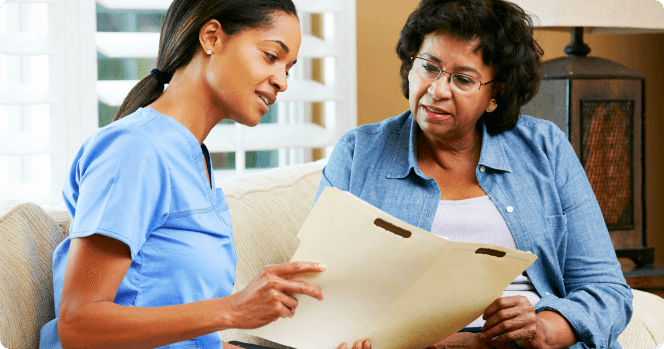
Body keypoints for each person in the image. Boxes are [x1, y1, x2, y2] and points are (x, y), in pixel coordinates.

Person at [38, 1, 370, 348]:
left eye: (289, 68)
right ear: (212, 37)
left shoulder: (193, 158)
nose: (282, 82)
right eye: (272, 56)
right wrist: (233, 310)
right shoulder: (134, 151)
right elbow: (80, 324)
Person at [314, 0, 633, 348]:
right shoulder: (359, 153)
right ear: (410, 65)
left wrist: (542, 329)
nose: (437, 90)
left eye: (463, 79)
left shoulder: (545, 148)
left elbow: (608, 292)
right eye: (428, 67)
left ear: (495, 93)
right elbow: (319, 291)